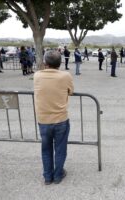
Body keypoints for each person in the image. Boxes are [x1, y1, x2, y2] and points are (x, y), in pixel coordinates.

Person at [34, 50, 74, 185]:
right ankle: (58, 175)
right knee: (60, 148)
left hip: (43, 119)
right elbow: (71, 91)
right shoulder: (65, 76)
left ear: (45, 62)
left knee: (46, 149)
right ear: (60, 62)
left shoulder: (37, 76)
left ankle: (47, 176)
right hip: (60, 119)